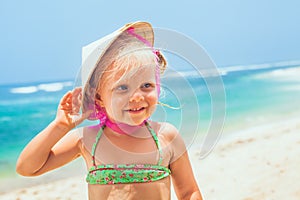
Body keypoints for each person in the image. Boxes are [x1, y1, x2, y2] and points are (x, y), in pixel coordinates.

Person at [16, 21, 202, 200]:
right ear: (99, 98)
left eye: (146, 85)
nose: (137, 97)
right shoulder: (86, 139)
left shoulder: (166, 136)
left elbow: (188, 192)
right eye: (122, 88)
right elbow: (27, 168)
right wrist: (60, 126)